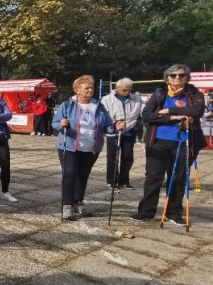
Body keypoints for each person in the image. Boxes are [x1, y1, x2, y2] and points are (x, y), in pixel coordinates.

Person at [131, 65, 205, 224]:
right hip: (157, 141)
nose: (177, 78)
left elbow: (196, 112)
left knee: (178, 177)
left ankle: (174, 212)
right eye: (173, 75)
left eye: (181, 75)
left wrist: (168, 110)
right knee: (153, 177)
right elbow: (147, 116)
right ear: (167, 78)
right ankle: (146, 211)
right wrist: (173, 118)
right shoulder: (159, 94)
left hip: (184, 141)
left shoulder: (195, 94)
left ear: (187, 77)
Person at [52, 75, 121, 221]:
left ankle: (78, 201)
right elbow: (55, 123)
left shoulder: (99, 106)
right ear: (77, 90)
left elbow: (107, 126)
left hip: (91, 147)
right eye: (87, 88)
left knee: (83, 175)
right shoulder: (67, 105)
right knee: (69, 173)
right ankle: (67, 205)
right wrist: (62, 124)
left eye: (92, 87)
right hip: (69, 145)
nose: (90, 90)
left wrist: (116, 126)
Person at [100, 78, 143, 189]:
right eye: (124, 90)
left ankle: (124, 181)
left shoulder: (137, 99)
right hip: (113, 132)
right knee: (113, 157)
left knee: (128, 158)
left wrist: (138, 124)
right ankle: (112, 181)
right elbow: (102, 116)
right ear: (117, 88)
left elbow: (142, 113)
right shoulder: (107, 99)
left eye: (129, 89)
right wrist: (114, 122)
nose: (127, 92)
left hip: (129, 131)